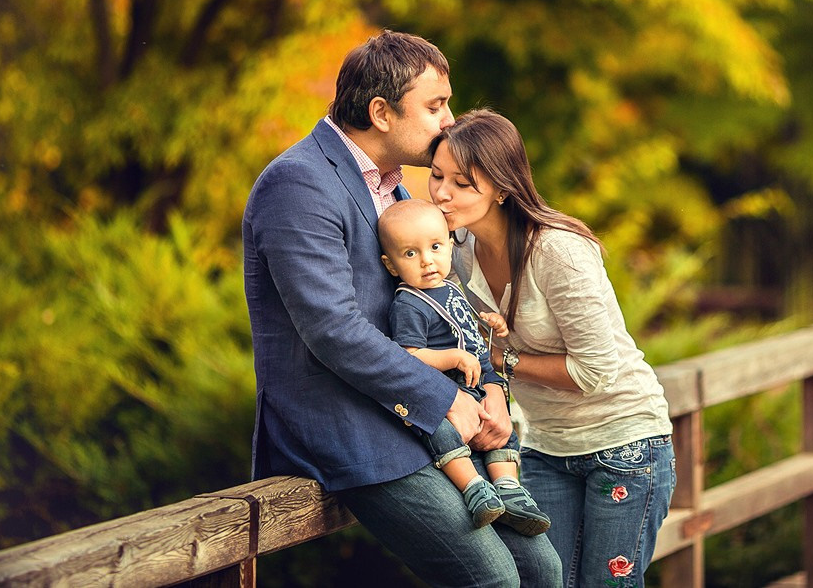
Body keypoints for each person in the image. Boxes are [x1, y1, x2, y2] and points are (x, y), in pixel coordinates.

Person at [242, 31, 561, 587]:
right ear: (381, 112)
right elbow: (333, 330)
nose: (450, 120)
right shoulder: (298, 183)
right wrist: (443, 400)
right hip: (342, 422)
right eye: (436, 105)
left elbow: (438, 305)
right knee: (493, 579)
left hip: (410, 415)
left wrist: (486, 387)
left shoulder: (397, 189)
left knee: (541, 567)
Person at [427, 109, 675, 587]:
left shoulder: (557, 250)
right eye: (437, 176)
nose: (441, 192)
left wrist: (498, 358)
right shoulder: (452, 252)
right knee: (542, 579)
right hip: (545, 446)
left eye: (462, 183)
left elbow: (595, 370)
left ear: (501, 187)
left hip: (624, 442)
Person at [378, 197, 551, 535]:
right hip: (446, 391)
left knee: (504, 433)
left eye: (436, 247)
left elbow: (462, 330)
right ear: (391, 265)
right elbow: (409, 355)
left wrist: (492, 326)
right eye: (411, 254)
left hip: (475, 382)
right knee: (441, 434)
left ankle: (509, 490)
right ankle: (475, 489)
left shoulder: (450, 287)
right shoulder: (409, 303)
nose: (428, 261)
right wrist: (453, 359)